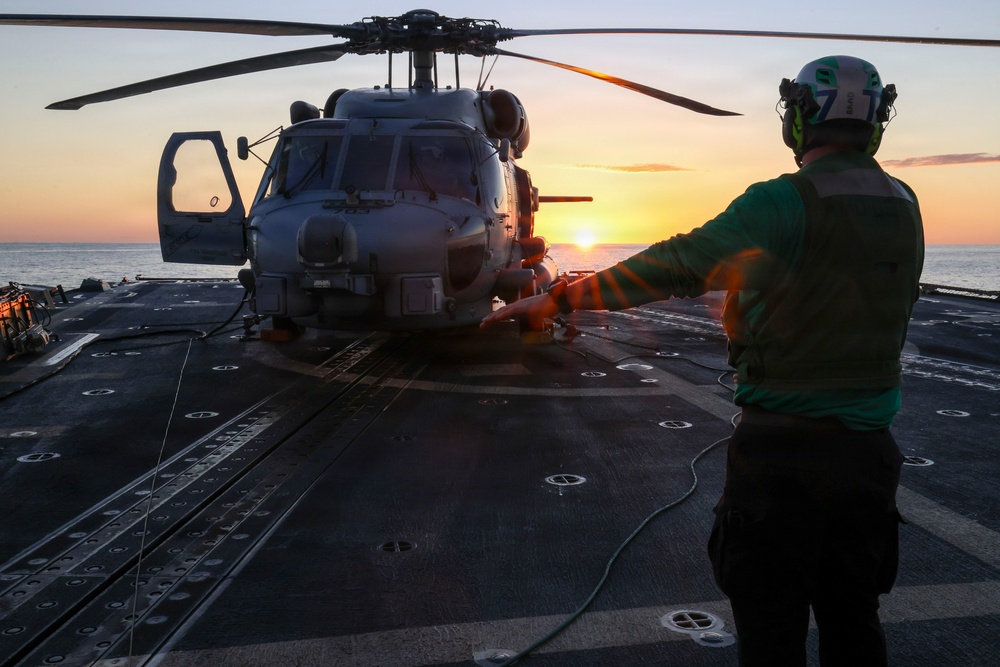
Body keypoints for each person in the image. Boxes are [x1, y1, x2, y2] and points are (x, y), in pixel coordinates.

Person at [481, 55, 923, 666]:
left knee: (771, 629)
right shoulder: (905, 201)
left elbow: (675, 265)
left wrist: (557, 298)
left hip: (782, 457)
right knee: (854, 618)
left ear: (798, 120)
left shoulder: (781, 202)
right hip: (870, 456)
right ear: (877, 121)